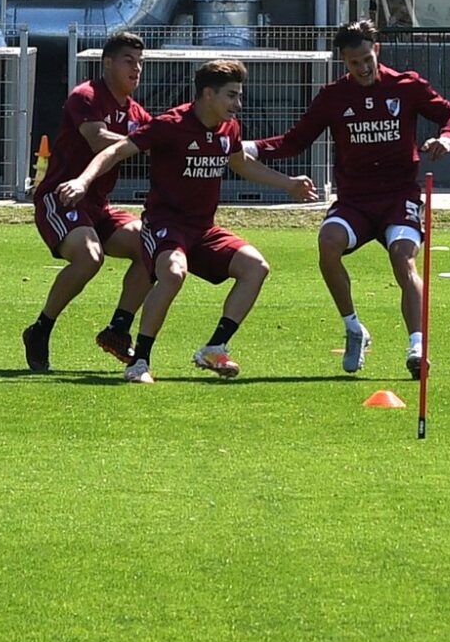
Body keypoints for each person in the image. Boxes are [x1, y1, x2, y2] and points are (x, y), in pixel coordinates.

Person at [56, 60, 317, 383]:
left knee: (256, 267)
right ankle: (139, 362)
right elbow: (116, 151)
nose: (239, 104)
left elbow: (242, 165)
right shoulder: (171, 124)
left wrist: (289, 184)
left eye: (239, 95)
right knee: (173, 273)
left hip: (203, 230)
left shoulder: (228, 127)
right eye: (232, 96)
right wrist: (82, 181)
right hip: (165, 225)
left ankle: (215, 347)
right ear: (208, 94)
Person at [248, 19, 450, 377]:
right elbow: (296, 140)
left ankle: (416, 346)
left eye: (366, 59)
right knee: (328, 243)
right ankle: (353, 328)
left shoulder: (406, 85)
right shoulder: (333, 97)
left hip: (398, 197)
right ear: (343, 61)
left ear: (376, 50)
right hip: (355, 201)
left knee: (402, 257)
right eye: (353, 62)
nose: (362, 68)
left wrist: (446, 138)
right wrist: (250, 146)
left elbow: (447, 114)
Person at [21, 31, 155, 373]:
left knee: (153, 247)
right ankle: (40, 330)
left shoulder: (138, 113)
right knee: (89, 256)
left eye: (140, 63)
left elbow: (162, 141)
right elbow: (98, 139)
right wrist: (145, 142)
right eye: (129, 61)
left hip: (99, 206)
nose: (137, 69)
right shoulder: (87, 96)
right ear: (107, 62)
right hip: (62, 197)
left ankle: (117, 329)